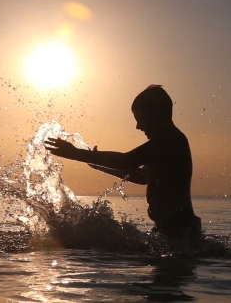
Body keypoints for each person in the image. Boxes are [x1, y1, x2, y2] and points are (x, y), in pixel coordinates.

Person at [44, 85, 201, 242]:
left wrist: (76, 153)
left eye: (141, 119)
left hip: (180, 231)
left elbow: (126, 161)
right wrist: (98, 164)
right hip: (172, 231)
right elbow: (141, 176)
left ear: (156, 115)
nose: (138, 127)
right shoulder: (166, 143)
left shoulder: (170, 140)